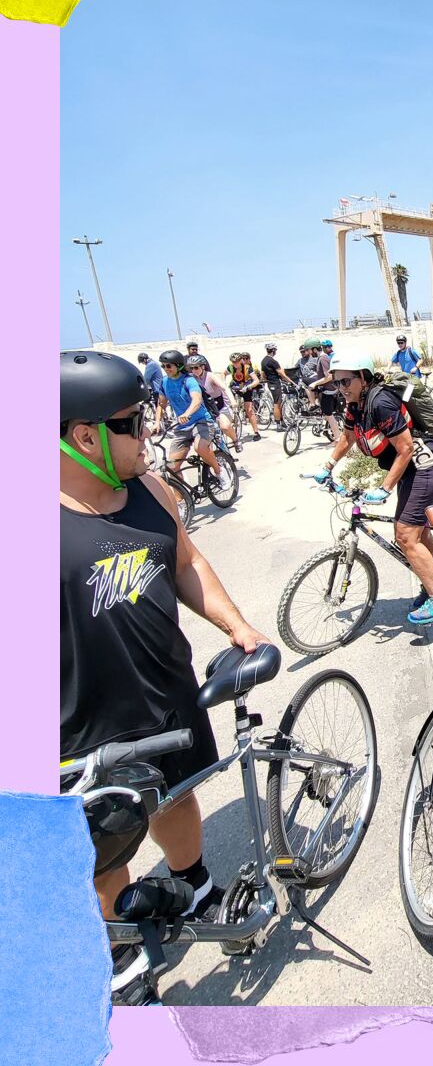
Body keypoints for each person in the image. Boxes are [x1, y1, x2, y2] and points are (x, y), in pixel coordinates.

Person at [60, 351, 267, 959]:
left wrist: (237, 626)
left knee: (177, 795)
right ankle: (118, 951)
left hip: (167, 696)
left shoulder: (150, 489)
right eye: (133, 422)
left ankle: (193, 882)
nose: (148, 432)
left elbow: (186, 563)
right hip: (82, 726)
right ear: (84, 436)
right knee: (104, 852)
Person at [315, 354, 433, 625]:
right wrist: (328, 466)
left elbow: (405, 448)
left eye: (347, 380)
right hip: (411, 469)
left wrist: (384, 489)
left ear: (363, 377)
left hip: (426, 466)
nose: (342, 387)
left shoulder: (380, 402)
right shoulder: (355, 405)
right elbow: (347, 437)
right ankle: (431, 587)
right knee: (415, 531)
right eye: (337, 383)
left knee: (405, 535)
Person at [155, 350, 223, 476]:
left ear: (179, 365)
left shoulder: (189, 380)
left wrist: (187, 413)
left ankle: (219, 471)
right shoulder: (164, 382)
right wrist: (157, 422)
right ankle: (181, 496)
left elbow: (197, 400)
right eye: (163, 366)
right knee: (171, 466)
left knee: (200, 448)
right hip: (182, 426)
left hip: (201, 421)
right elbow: (161, 404)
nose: (165, 369)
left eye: (168, 366)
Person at [188, 355, 240, 450]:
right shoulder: (191, 378)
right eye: (191, 368)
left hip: (219, 404)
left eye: (196, 367)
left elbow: (224, 388)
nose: (194, 370)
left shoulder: (210, 376)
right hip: (205, 407)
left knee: (225, 427)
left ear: (203, 367)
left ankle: (235, 440)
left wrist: (232, 400)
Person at [225, 353, 263, 442]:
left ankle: (256, 432)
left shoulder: (247, 368)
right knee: (230, 407)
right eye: (233, 362)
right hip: (235, 388)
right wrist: (223, 383)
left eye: (237, 362)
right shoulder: (230, 367)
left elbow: (256, 380)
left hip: (246, 388)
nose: (235, 364)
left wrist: (249, 387)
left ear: (241, 360)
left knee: (249, 410)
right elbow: (223, 373)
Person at [259, 342, 289, 428]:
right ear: (273, 350)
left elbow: (263, 375)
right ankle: (278, 425)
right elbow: (282, 374)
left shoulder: (263, 360)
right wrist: (290, 381)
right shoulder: (273, 361)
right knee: (277, 403)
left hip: (269, 384)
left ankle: (282, 422)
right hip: (275, 383)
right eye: (275, 350)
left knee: (276, 403)